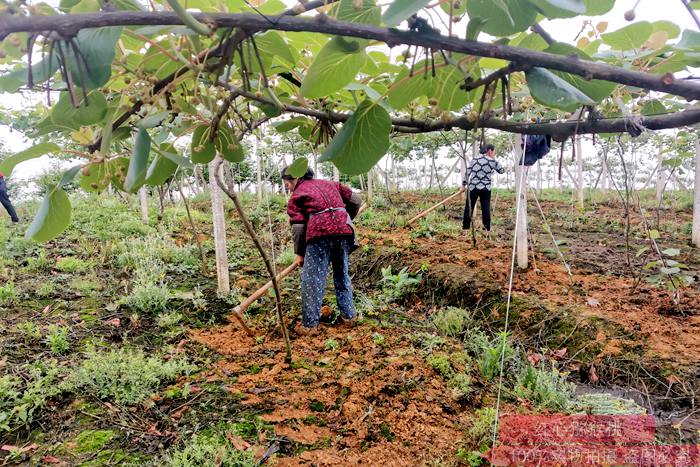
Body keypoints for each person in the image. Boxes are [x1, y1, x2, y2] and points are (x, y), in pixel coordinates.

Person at [282, 166, 362, 335]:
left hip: (320, 235)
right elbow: (356, 200)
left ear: (294, 179)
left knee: (312, 279)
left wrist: (299, 253)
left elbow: (298, 226)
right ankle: (349, 317)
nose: (288, 187)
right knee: (342, 274)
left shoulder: (297, 195)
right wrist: (344, 218)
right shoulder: (330, 183)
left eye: (287, 183)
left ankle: (310, 326)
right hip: (343, 232)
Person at [460, 144, 504, 236]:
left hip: (473, 187)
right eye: (493, 151)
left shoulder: (474, 159)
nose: (494, 153)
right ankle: (486, 231)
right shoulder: (491, 160)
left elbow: (468, 172)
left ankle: (465, 229)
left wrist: (463, 185)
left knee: (469, 208)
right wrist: (493, 159)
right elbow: (501, 170)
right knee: (486, 208)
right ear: (490, 151)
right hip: (485, 188)